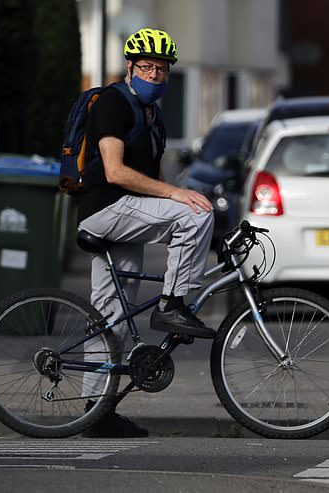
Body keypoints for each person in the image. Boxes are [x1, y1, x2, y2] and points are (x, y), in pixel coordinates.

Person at [77, 27, 215, 438]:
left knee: (110, 316)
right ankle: (173, 303)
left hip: (125, 215)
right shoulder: (114, 103)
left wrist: (170, 197)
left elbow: (150, 180)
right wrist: (176, 195)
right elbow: (115, 171)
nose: (154, 74)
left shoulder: (152, 116)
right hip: (107, 208)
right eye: (146, 67)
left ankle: (95, 412)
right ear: (130, 67)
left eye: (162, 69)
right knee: (194, 215)